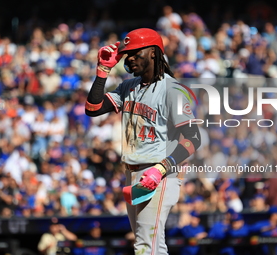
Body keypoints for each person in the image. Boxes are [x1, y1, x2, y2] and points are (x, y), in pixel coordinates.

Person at [85, 28, 201, 255]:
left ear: (154, 53)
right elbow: (93, 108)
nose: (129, 58)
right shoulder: (129, 87)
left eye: (136, 52)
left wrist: (160, 169)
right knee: (151, 246)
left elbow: (193, 139)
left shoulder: (172, 90)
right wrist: (102, 71)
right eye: (128, 53)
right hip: (134, 172)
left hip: (159, 172)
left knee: (145, 246)